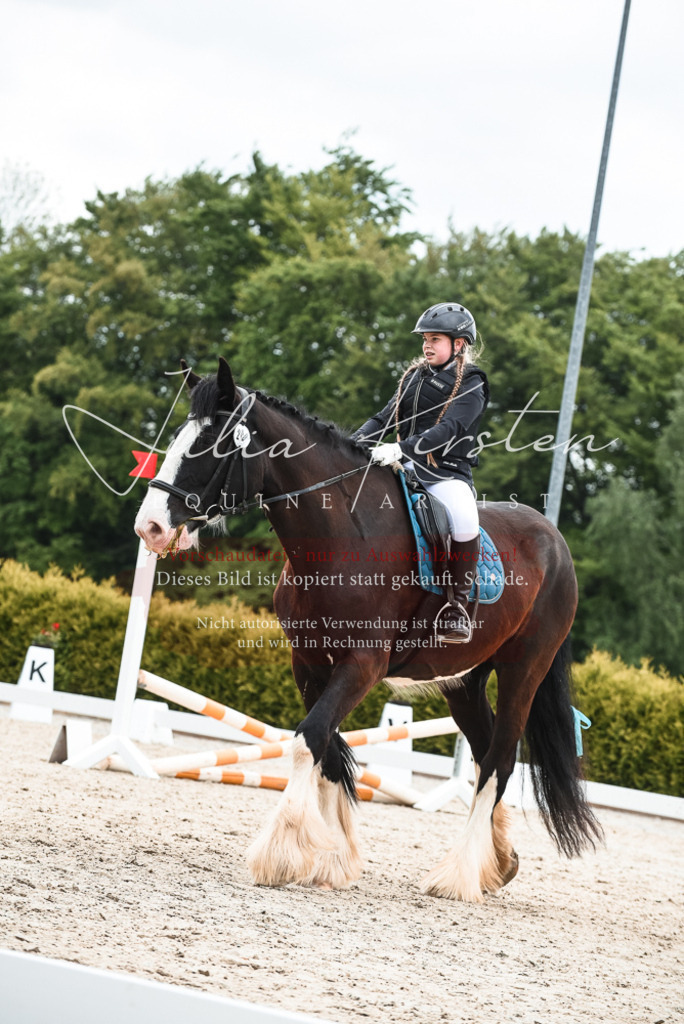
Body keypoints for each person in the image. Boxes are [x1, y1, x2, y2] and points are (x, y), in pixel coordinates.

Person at [353, 302, 489, 643]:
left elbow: (452, 427)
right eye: (425, 339)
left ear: (458, 345)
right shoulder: (413, 377)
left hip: (446, 474)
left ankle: (457, 607)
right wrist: (351, 444)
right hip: (404, 465)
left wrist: (401, 448)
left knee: (464, 517)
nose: (427, 345)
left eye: (435, 339)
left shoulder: (473, 383)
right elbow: (383, 419)